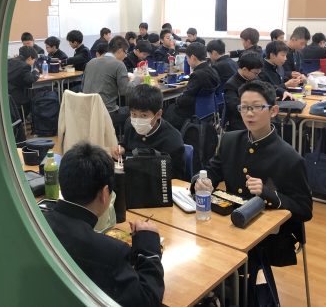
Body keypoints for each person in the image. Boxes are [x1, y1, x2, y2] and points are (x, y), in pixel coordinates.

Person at [194, 80, 312, 297]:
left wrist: (269, 194)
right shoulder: (230, 140)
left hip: (268, 238)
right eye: (244, 107)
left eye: (257, 107)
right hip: (229, 224)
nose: (249, 113)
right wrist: (202, 181)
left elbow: (304, 209)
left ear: (273, 111)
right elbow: (211, 171)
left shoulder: (289, 158)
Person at [44, 142, 164, 307]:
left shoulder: (38, 221)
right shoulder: (111, 252)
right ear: (105, 193)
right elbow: (147, 301)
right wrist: (149, 250)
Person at [116, 84, 186, 180]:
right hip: (133, 178)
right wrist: (121, 148)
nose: (137, 120)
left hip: (158, 183)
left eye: (144, 115)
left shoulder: (172, 139)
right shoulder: (130, 124)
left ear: (158, 114)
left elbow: (177, 178)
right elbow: (126, 145)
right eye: (133, 114)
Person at [163, 43, 220, 130]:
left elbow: (185, 100)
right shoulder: (213, 70)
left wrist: (177, 99)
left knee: (168, 108)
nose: (187, 60)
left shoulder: (197, 75)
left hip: (192, 112)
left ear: (193, 57)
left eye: (187, 58)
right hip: (208, 110)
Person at [82, 36, 134, 127]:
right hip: (108, 113)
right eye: (125, 52)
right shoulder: (119, 64)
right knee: (137, 110)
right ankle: (120, 135)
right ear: (120, 50)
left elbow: (83, 85)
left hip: (87, 111)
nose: (126, 56)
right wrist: (137, 80)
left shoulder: (90, 62)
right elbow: (125, 90)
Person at [224, 52, 264, 131]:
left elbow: (264, 87)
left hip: (255, 114)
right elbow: (235, 107)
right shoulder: (231, 84)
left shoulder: (253, 77)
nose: (257, 75)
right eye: (255, 73)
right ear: (245, 69)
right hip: (240, 121)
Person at [7, 45, 40, 114]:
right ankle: (22, 118)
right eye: (34, 60)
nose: (33, 63)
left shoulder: (10, 61)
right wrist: (36, 72)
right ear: (30, 58)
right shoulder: (25, 66)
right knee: (30, 101)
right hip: (15, 93)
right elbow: (30, 79)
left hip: (6, 91)